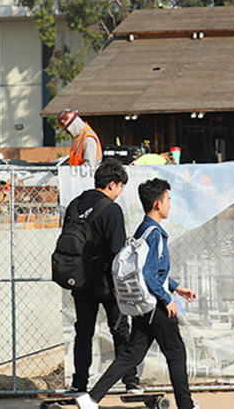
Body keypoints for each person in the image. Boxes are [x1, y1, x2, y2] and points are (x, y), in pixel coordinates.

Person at [78, 178, 199, 409]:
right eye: (168, 200)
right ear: (157, 204)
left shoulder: (142, 230)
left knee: (131, 355)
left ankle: (91, 398)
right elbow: (150, 274)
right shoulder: (156, 235)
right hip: (157, 307)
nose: (170, 205)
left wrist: (176, 287)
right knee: (176, 354)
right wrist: (167, 299)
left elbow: (148, 270)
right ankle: (186, 406)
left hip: (143, 306)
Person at [63, 159, 141, 394]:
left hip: (80, 280)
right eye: (120, 187)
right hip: (108, 283)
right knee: (120, 329)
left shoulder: (74, 205)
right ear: (112, 184)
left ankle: (79, 384)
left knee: (84, 332)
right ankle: (130, 381)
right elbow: (118, 252)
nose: (120, 193)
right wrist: (121, 285)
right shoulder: (111, 209)